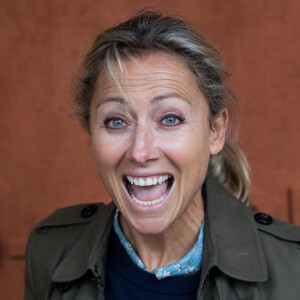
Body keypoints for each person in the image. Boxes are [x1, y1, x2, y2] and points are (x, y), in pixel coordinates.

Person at [25, 10, 300, 300]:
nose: (140, 151)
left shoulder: (292, 268)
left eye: (170, 119)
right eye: (116, 121)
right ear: (91, 134)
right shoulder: (49, 252)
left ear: (215, 131)